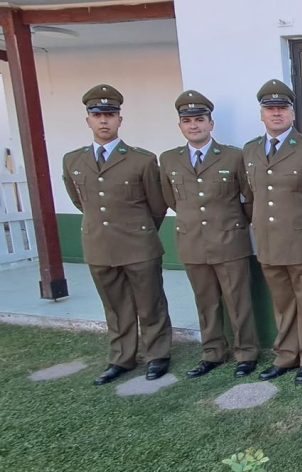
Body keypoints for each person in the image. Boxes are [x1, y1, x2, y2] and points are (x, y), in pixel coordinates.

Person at [62, 84, 172, 385]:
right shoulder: (73, 160)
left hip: (139, 245)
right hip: (99, 245)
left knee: (150, 303)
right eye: (97, 115)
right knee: (114, 306)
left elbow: (157, 205)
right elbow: (79, 201)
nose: (104, 120)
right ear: (88, 120)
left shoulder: (142, 160)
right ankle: (122, 357)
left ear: (120, 120)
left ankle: (157, 354)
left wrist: (139, 229)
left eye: (110, 115)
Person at [158, 90, 260, 379]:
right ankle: (212, 352)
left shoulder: (233, 156)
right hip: (192, 241)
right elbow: (170, 199)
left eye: (200, 120)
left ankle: (246, 353)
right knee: (205, 302)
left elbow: (248, 197)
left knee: (238, 302)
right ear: (180, 126)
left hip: (229, 241)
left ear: (210, 124)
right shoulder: (169, 160)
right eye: (187, 121)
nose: (194, 125)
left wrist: (232, 224)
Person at [241, 79, 302, 385]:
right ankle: (286, 355)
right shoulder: (250, 150)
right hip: (268, 240)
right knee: (281, 302)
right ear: (262, 114)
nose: (276, 113)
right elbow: (249, 196)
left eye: (282, 108)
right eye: (270, 109)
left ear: (292, 113)